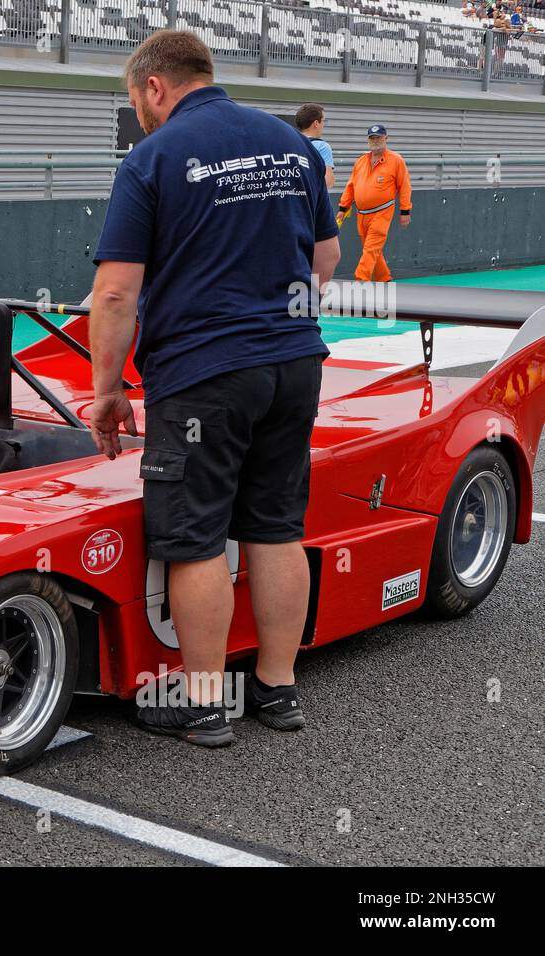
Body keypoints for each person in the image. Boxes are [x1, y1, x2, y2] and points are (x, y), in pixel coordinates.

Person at [88, 30, 340, 747]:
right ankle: (278, 689)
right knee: (275, 525)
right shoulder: (290, 144)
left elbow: (114, 293)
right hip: (294, 362)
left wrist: (108, 391)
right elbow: (325, 259)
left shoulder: (153, 157)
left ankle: (203, 703)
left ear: (155, 88)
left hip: (204, 373)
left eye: (136, 100)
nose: (138, 112)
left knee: (195, 535)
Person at [336, 124, 412, 283]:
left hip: (382, 213)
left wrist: (405, 211)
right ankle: (384, 279)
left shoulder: (396, 160)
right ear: (368, 140)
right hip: (361, 214)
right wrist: (343, 207)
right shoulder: (361, 161)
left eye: (379, 137)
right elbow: (351, 185)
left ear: (386, 138)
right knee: (370, 249)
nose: (375, 141)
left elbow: (404, 186)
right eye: (372, 138)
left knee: (370, 249)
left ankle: (360, 280)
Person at [295, 103, 335, 189]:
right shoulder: (322, 146)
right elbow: (328, 182)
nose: (323, 125)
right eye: (323, 121)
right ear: (316, 123)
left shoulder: (289, 142)